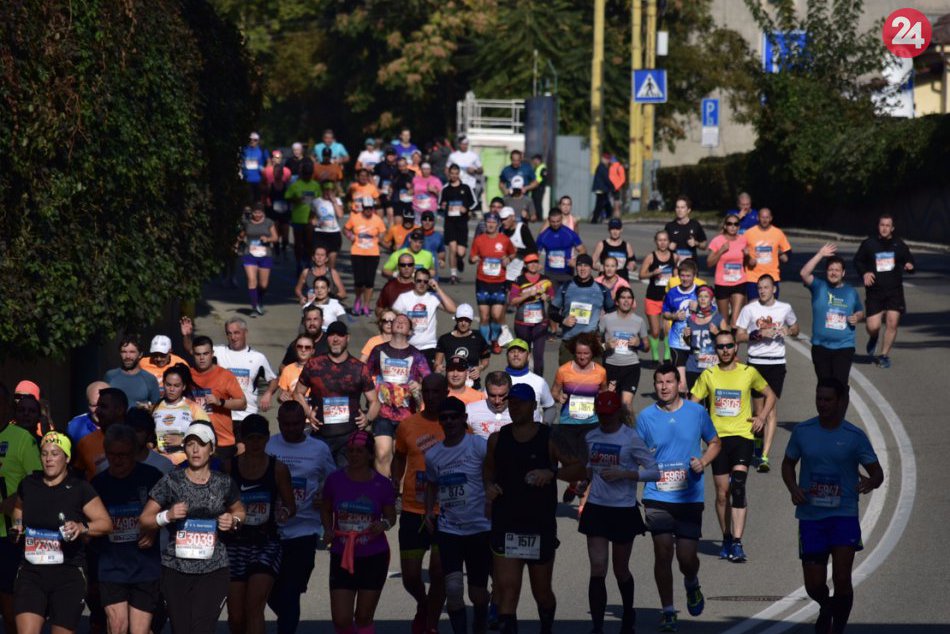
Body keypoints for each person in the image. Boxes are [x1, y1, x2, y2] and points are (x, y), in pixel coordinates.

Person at [781, 378, 884, 634]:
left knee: (841, 578)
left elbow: (877, 473)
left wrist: (870, 482)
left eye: (828, 399)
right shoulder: (803, 431)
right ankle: (825, 607)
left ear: (839, 402)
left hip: (843, 515)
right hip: (811, 516)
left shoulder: (854, 437)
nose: (822, 404)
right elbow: (787, 464)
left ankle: (837, 628)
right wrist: (793, 489)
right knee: (814, 584)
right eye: (819, 398)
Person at [483, 384, 585, 634]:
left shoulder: (548, 436)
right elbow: (487, 469)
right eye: (512, 402)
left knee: (542, 593)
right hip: (506, 522)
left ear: (533, 406)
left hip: (538, 525)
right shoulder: (498, 438)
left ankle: (546, 626)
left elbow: (579, 468)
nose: (515, 406)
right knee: (507, 589)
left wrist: (552, 473)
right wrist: (489, 486)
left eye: (521, 402)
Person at [636, 364, 721, 632]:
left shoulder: (696, 412)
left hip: (689, 496)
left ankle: (691, 581)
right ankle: (668, 610)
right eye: (659, 382)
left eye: (669, 382)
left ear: (678, 384)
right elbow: (635, 452)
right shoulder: (646, 416)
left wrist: (704, 461)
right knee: (662, 552)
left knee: (686, 558)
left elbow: (715, 442)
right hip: (657, 495)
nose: (664, 387)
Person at [140, 424, 245, 634]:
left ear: (212, 448)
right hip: (176, 568)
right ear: (184, 449)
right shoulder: (171, 481)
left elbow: (240, 511)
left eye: (201, 444)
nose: (196, 450)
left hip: (213, 568)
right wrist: (167, 516)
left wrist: (232, 520)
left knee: (201, 629)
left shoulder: (223, 482)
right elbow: (145, 519)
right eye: (190, 444)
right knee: (181, 629)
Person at [13, 432, 112, 634]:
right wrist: (17, 525)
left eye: (55, 453)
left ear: (67, 458)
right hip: (32, 571)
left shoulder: (80, 488)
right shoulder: (29, 484)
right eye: (44, 453)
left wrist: (82, 527)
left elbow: (105, 524)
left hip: (68, 573)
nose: (49, 458)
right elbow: (18, 507)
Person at [690, 330, 775, 563]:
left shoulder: (748, 373)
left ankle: (737, 543)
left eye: (729, 346)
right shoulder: (708, 375)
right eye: (720, 347)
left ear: (736, 348)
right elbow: (692, 404)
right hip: (717, 441)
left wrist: (761, 417)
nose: (725, 350)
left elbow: (770, 395)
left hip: (742, 437)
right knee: (721, 494)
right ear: (715, 350)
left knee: (738, 486)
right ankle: (726, 537)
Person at [581, 392, 659, 634]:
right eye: (601, 415)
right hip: (597, 507)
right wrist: (582, 485)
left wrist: (627, 474)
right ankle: (597, 626)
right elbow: (590, 467)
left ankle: (628, 615)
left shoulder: (631, 438)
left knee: (620, 569)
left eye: (609, 415)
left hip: (623, 509)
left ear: (618, 413)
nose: (605, 420)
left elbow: (654, 471)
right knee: (597, 568)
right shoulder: (591, 436)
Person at [265, 402, 337, 634]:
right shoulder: (270, 445)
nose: (291, 428)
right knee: (270, 590)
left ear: (304, 422)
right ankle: (286, 620)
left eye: (296, 423)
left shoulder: (318, 448)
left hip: (305, 530)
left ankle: (286, 629)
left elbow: (333, 481)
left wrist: (324, 496)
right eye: (285, 424)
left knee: (292, 590)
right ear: (278, 422)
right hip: (272, 529)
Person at [423, 396, 491, 634]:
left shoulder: (478, 445)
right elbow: (431, 485)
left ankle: (480, 626)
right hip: (450, 530)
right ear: (439, 422)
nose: (449, 421)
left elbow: (493, 474)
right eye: (444, 418)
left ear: (464, 419)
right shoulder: (433, 455)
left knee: (478, 594)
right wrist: (428, 512)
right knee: (452, 590)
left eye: (454, 417)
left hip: (480, 528)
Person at [222, 415, 295, 634]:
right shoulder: (228, 467)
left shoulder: (278, 468)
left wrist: (284, 512)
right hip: (234, 544)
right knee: (236, 615)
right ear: (242, 439)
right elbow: (218, 503)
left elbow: (291, 505)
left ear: (267, 439)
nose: (255, 443)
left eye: (260, 438)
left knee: (254, 606)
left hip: (266, 543)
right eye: (250, 438)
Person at [321, 431, 396, 634]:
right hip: (342, 554)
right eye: (350, 451)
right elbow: (326, 508)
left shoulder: (382, 484)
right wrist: (328, 529)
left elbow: (391, 517)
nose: (353, 455)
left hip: (373, 556)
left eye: (359, 452)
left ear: (370, 455)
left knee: (363, 617)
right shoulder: (335, 480)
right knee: (341, 619)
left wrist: (384, 525)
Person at [91, 425, 164, 634]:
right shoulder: (98, 483)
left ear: (133, 453)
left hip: (145, 565)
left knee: (139, 631)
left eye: (123, 454)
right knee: (117, 626)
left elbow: (169, 512)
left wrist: (153, 529)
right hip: (111, 566)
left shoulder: (152, 477)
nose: (118, 460)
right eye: (112, 454)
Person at [392, 374, 449, 634]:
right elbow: (399, 458)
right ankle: (424, 605)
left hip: (445, 511)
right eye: (427, 391)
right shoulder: (407, 425)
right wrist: (394, 486)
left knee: (438, 574)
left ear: (446, 392)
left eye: (437, 391)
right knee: (411, 576)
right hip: (413, 509)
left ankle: (431, 625)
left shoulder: (455, 425)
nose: (431, 396)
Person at [735, 275, 799, 472]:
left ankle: (764, 455)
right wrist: (758, 334)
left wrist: (789, 331)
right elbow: (738, 334)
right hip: (755, 363)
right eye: (759, 288)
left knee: (771, 411)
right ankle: (757, 438)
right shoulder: (749, 309)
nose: (762, 291)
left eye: (766, 287)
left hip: (776, 363)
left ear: (774, 289)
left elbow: (796, 328)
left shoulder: (784, 308)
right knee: (757, 411)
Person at [295, 321, 380, 466]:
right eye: (331, 335)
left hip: (348, 438)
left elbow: (374, 401)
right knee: (320, 481)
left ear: (348, 338)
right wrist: (308, 413)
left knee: (346, 481)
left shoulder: (359, 368)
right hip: (320, 436)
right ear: (326, 338)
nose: (335, 339)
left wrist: (368, 418)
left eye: (340, 335)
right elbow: (297, 393)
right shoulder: (314, 365)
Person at [365, 314, 431, 477]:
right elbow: (364, 376)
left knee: (401, 455)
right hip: (383, 412)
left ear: (410, 331)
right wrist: (372, 397)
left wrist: (420, 386)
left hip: (407, 414)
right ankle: (384, 489)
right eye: (397, 321)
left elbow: (430, 381)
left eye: (404, 322)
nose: (400, 323)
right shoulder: (379, 350)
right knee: (382, 453)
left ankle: (400, 494)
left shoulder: (417, 355)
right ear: (391, 326)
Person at [551, 332, 608, 506]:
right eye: (579, 353)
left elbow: (604, 394)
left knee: (588, 463)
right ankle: (573, 483)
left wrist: (603, 402)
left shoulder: (600, 372)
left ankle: (583, 505)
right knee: (571, 461)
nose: (582, 357)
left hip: (591, 423)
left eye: (586, 353)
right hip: (568, 422)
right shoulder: (563, 370)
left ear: (593, 353)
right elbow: (554, 390)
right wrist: (558, 397)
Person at [853, 213, 915, 368]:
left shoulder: (899, 245)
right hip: (875, 291)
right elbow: (858, 261)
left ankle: (883, 355)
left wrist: (909, 266)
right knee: (873, 326)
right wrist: (865, 272)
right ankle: (873, 337)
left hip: (894, 291)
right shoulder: (869, 244)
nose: (884, 228)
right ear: (878, 226)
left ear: (892, 228)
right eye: (882, 225)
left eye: (888, 225)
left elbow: (910, 260)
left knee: (892, 323)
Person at [0, 405, 42, 633]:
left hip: (9, 536)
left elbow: (37, 480)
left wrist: (15, 501)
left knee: (10, 611)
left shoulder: (22, 439)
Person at [191, 317, 277, 426]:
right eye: (229, 333)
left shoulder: (258, 358)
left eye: (237, 333)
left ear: (245, 333)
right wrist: (187, 336)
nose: (233, 337)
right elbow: (196, 351)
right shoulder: (218, 352)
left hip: (247, 414)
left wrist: (268, 393)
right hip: (223, 414)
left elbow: (273, 379)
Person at [800, 244, 864, 386]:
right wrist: (820, 254)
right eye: (830, 270)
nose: (833, 273)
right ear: (826, 272)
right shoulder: (819, 287)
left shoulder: (851, 292)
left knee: (840, 384)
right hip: (820, 346)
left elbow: (859, 311)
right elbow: (804, 273)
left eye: (837, 270)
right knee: (824, 386)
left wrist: (857, 317)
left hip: (844, 346)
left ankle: (840, 406)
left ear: (843, 273)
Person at [185, 336, 247, 460]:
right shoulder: (187, 375)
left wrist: (220, 402)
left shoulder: (225, 375)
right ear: (193, 354)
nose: (202, 358)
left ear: (212, 354)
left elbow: (242, 403)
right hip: (194, 439)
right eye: (198, 354)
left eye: (206, 354)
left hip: (222, 441)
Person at [550, 254, 615, 365]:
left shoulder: (602, 289)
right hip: (569, 342)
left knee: (594, 380)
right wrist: (563, 320)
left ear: (591, 268)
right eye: (580, 265)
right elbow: (552, 311)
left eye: (586, 265)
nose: (583, 269)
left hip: (592, 343)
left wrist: (604, 331)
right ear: (576, 267)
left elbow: (613, 312)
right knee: (567, 379)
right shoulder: (566, 287)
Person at [468, 212, 515, 353]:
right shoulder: (479, 240)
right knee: (484, 316)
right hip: (482, 282)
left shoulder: (504, 240)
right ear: (485, 223)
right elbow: (471, 257)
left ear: (498, 224)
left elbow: (512, 252)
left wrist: (509, 259)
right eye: (488, 222)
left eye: (493, 222)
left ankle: (494, 339)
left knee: (496, 315)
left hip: (499, 282)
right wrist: (474, 259)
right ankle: (485, 343)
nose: (490, 225)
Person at [392, 268, 458, 368]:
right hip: (408, 345)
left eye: (425, 281)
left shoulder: (433, 297)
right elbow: (392, 318)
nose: (422, 284)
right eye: (419, 281)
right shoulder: (403, 298)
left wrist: (438, 289)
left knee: (427, 381)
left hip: (429, 347)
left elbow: (453, 309)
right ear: (413, 281)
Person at [600, 287, 649, 411]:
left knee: (626, 404)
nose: (626, 301)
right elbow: (594, 344)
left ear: (633, 302)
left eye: (629, 298)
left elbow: (647, 346)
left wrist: (639, 344)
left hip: (631, 367)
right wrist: (606, 346)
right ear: (617, 301)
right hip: (611, 367)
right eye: (623, 298)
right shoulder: (606, 319)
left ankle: (629, 430)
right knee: (611, 403)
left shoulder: (639, 321)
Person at [151, 364, 210, 465]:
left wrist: (183, 440)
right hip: (161, 464)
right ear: (163, 384)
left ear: (184, 387)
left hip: (185, 463)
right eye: (168, 385)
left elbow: (208, 436)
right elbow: (150, 438)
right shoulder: (156, 408)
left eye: (176, 386)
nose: (172, 389)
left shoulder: (193, 408)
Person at [508, 253, 554, 375]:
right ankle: (523, 379)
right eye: (530, 263)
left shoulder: (546, 280)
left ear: (538, 264)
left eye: (535, 262)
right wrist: (528, 294)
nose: (533, 265)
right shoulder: (519, 280)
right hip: (522, 323)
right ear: (525, 265)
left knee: (538, 357)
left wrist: (547, 297)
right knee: (523, 356)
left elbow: (553, 298)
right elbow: (512, 301)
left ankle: (539, 382)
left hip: (540, 323)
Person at [661, 258, 700, 393]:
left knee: (696, 379)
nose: (685, 279)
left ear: (694, 275)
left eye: (688, 276)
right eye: (682, 275)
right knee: (682, 384)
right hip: (677, 341)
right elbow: (665, 313)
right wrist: (674, 316)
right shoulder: (672, 293)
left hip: (697, 340)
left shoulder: (700, 291)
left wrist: (699, 308)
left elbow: (713, 311)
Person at [344, 197, 388, 316]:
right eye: (366, 208)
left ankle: (366, 305)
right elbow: (346, 229)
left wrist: (380, 238)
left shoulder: (377, 219)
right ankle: (358, 300)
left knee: (369, 281)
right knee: (359, 281)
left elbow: (383, 231)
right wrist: (350, 236)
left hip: (372, 253)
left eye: (370, 208)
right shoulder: (355, 218)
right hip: (357, 252)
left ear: (373, 209)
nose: (368, 211)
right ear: (362, 208)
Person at [73, 387, 129, 480]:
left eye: (104, 407)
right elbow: (77, 478)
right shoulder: (85, 442)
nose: (97, 411)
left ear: (120, 410)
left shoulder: (136, 441)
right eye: (97, 406)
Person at [707, 213, 751, 328]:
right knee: (724, 322)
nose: (733, 226)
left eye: (736, 224)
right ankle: (726, 344)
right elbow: (709, 263)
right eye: (729, 224)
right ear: (725, 226)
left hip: (739, 282)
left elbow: (748, 264)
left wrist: (747, 256)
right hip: (722, 283)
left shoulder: (743, 240)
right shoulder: (718, 240)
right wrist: (721, 250)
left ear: (739, 227)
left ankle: (734, 345)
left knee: (735, 322)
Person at [681, 286, 727, 392]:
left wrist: (717, 333)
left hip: (712, 365)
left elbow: (728, 341)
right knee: (694, 400)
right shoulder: (690, 319)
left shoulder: (718, 318)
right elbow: (686, 344)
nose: (702, 299)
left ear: (712, 299)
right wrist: (685, 337)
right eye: (700, 296)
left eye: (706, 296)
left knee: (712, 400)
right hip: (693, 365)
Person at [639, 230, 675, 364]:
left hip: (668, 300)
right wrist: (652, 273)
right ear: (656, 241)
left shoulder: (674, 257)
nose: (663, 242)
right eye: (660, 240)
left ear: (669, 241)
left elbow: (677, 276)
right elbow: (641, 275)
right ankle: (655, 355)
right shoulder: (651, 257)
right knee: (655, 331)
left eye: (665, 240)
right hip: (652, 298)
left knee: (667, 330)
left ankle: (666, 356)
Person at [434, 304, 490, 386]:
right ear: (456, 320)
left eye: (466, 320)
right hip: (451, 385)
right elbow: (437, 362)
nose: (463, 323)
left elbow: (485, 359)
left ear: (471, 321)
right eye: (460, 320)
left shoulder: (478, 338)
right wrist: (437, 367)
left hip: (473, 385)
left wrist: (480, 368)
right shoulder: (445, 339)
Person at [742, 207, 791, 301]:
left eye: (767, 217)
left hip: (772, 276)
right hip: (753, 277)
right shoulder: (748, 233)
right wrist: (747, 257)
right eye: (762, 217)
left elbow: (787, 255)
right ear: (758, 218)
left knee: (771, 308)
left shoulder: (778, 233)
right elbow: (741, 253)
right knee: (754, 308)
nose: (765, 220)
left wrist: (781, 253)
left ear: (771, 218)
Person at [504, 341, 556, 424]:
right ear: (507, 356)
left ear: (528, 356)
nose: (516, 354)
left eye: (521, 351)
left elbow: (550, 408)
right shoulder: (496, 380)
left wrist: (544, 426)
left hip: (532, 433)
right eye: (512, 351)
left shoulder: (539, 382)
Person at [241, 202, 279, 316]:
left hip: (265, 255)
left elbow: (275, 237)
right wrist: (238, 242)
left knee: (263, 285)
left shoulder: (268, 222)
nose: (257, 215)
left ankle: (259, 301)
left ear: (263, 212)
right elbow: (242, 234)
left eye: (260, 212)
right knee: (252, 280)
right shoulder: (247, 222)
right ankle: (254, 307)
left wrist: (267, 239)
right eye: (255, 212)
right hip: (249, 254)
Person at [105, 336, 162, 410]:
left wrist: (149, 408)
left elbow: (157, 409)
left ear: (140, 355)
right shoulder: (110, 376)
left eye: (132, 352)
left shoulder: (149, 379)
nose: (127, 356)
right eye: (124, 352)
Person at [536, 207, 585, 292]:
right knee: (553, 301)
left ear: (562, 219)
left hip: (567, 273)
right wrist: (536, 265)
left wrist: (576, 260)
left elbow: (582, 250)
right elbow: (536, 253)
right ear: (548, 220)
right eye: (553, 222)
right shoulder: (543, 236)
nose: (555, 224)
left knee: (567, 300)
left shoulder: (570, 234)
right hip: (550, 274)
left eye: (558, 221)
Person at [285, 159, 319, 273]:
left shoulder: (315, 185)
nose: (308, 176)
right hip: (298, 217)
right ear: (302, 173)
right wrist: (295, 199)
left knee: (309, 242)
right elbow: (287, 197)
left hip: (311, 218)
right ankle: (298, 262)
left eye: (310, 174)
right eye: (306, 174)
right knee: (298, 243)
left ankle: (308, 261)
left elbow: (320, 200)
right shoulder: (296, 185)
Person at [464, 371, 513, 439]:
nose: (497, 401)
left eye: (502, 395)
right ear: (486, 391)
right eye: (492, 395)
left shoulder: (521, 412)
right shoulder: (471, 410)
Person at [280, 305, 329, 370]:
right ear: (304, 322)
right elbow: (283, 366)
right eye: (308, 319)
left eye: (315, 319)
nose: (312, 323)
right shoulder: (297, 344)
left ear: (322, 321)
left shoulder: (330, 342)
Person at [311, 181, 346, 272]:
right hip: (320, 233)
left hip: (334, 233)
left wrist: (334, 202)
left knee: (332, 260)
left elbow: (340, 215)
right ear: (322, 191)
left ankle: (329, 280)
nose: (328, 193)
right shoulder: (316, 201)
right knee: (320, 260)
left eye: (330, 191)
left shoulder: (337, 201)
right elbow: (312, 219)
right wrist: (315, 222)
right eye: (326, 191)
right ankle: (319, 280)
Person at [263, 149, 292, 256]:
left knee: (285, 235)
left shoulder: (286, 185)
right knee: (275, 231)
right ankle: (276, 250)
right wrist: (267, 205)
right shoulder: (270, 185)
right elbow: (265, 197)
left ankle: (284, 246)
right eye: (276, 172)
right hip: (273, 211)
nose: (278, 174)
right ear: (274, 173)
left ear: (282, 173)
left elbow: (290, 197)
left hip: (284, 211)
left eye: (280, 172)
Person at [402, 211, 446, 278]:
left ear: (434, 222)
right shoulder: (412, 235)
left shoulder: (438, 236)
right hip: (414, 272)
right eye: (425, 219)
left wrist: (441, 260)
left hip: (432, 274)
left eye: (430, 220)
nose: (427, 222)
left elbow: (441, 251)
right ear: (421, 221)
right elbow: (402, 252)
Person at [500, 206, 537, 285]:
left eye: (506, 219)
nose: (503, 222)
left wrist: (518, 250)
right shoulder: (501, 230)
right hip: (505, 274)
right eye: (502, 219)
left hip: (520, 274)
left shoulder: (522, 229)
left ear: (513, 217)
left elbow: (533, 250)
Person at [664, 196, 707, 264]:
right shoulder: (669, 226)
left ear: (688, 210)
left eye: (682, 207)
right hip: (674, 267)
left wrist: (696, 243)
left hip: (691, 268)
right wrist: (667, 246)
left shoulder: (695, 225)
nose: (679, 210)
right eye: (677, 207)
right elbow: (661, 246)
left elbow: (704, 245)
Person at [65, 380, 110, 444]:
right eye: (94, 405)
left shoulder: (123, 426)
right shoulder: (75, 426)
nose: (98, 410)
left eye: (103, 405)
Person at [277, 335, 315, 403]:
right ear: (295, 349)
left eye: (307, 347)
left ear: (313, 351)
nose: (303, 350)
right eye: (300, 346)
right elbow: (280, 394)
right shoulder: (287, 369)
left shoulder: (319, 369)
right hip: (293, 410)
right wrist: (281, 397)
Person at [374, 148, 400, 226]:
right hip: (380, 193)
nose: (390, 156)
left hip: (391, 194)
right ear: (385, 155)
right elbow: (372, 177)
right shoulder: (380, 165)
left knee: (391, 215)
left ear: (395, 156)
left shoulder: (398, 166)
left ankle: (390, 236)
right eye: (389, 154)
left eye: (392, 155)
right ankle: (380, 235)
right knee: (379, 217)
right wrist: (376, 189)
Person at [241, 132, 267, 204]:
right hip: (246, 180)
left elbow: (269, 162)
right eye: (250, 139)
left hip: (259, 181)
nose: (252, 141)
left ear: (258, 141)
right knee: (247, 202)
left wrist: (264, 171)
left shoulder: (262, 150)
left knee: (258, 203)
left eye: (255, 140)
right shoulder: (244, 150)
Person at [591, 153, 614, 224]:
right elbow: (606, 178)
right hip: (601, 189)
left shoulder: (603, 167)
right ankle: (596, 219)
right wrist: (612, 186)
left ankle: (605, 217)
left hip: (602, 188)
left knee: (604, 203)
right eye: (606, 159)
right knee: (600, 204)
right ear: (603, 159)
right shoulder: (602, 167)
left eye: (608, 159)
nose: (608, 161)